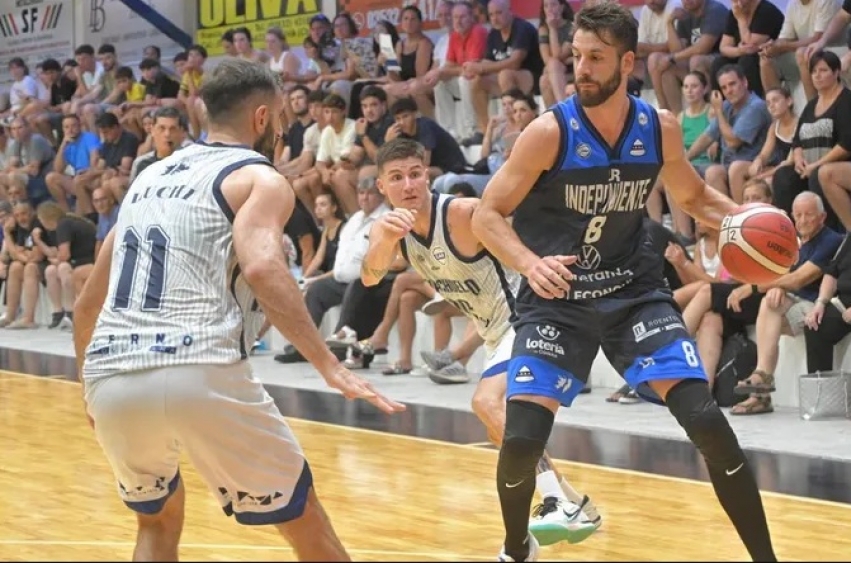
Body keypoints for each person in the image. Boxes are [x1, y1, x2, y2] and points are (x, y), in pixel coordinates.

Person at [471, 3, 777, 562]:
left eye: (595, 57)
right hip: (557, 300)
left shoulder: (657, 128)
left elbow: (693, 197)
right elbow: (486, 215)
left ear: (628, 62)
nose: (581, 69)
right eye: (576, 56)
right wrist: (529, 263)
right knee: (520, 442)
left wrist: (747, 220)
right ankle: (517, 548)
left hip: (633, 294)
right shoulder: (548, 132)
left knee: (709, 423)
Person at [71, 58, 405, 562]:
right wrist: (327, 363)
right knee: (305, 522)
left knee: (156, 522)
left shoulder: (146, 178)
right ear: (262, 117)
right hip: (197, 361)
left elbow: (86, 306)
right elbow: (264, 267)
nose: (282, 134)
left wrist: (89, 392)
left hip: (109, 372)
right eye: (283, 122)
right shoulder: (258, 177)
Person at [362, 137, 602, 546]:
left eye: (415, 174)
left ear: (427, 176)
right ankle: (578, 506)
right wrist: (382, 240)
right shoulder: (391, 231)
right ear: (382, 186)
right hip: (497, 333)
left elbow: (524, 240)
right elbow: (370, 277)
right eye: (397, 178)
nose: (409, 185)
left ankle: (554, 503)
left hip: (531, 317)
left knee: (486, 403)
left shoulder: (463, 214)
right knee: (502, 432)